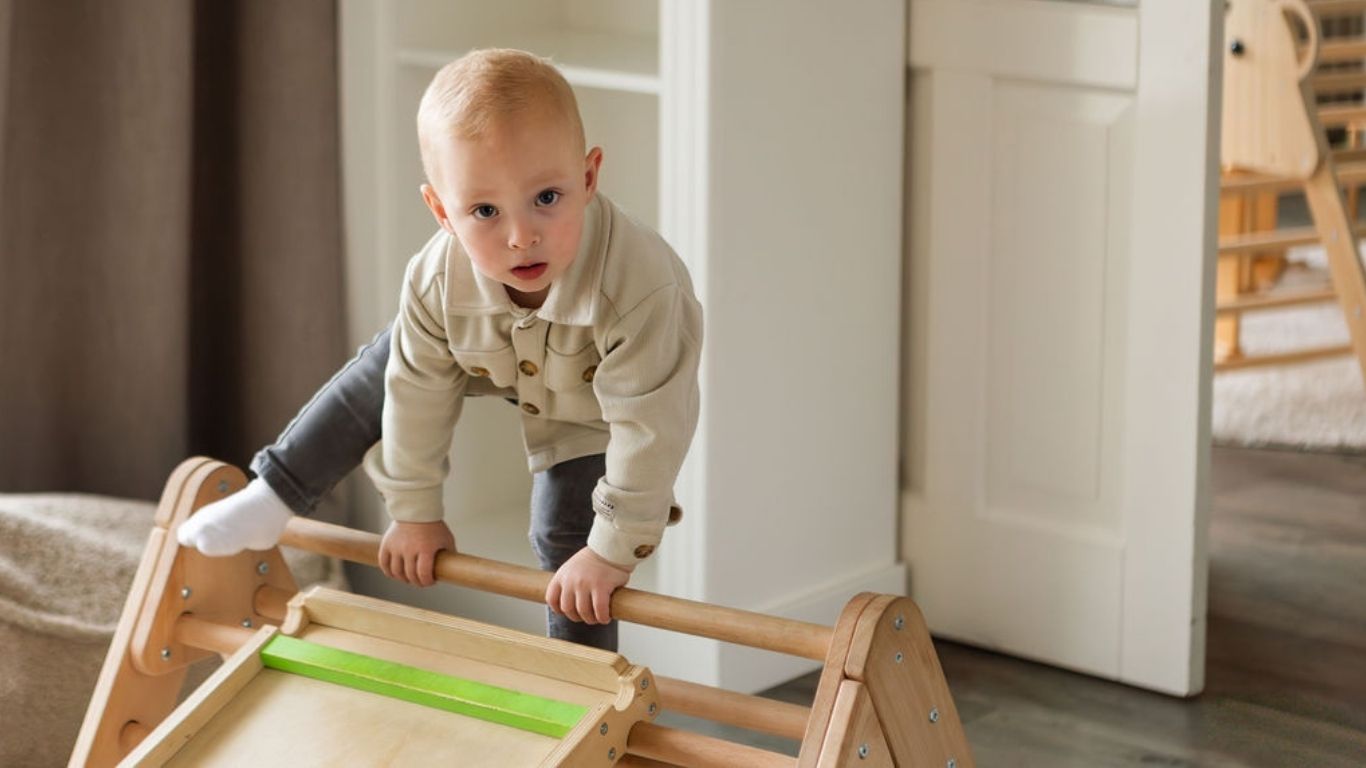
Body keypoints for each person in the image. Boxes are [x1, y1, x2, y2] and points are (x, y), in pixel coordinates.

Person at [177, 49, 703, 652]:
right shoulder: (435, 276)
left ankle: (580, 674)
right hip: (486, 353)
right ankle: (272, 496)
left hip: (592, 401)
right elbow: (415, 392)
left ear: (588, 178)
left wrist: (610, 553)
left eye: (547, 198)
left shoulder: (640, 289)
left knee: (565, 529)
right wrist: (414, 510)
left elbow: (650, 429)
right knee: (380, 369)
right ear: (441, 212)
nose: (520, 235)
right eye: (484, 211)